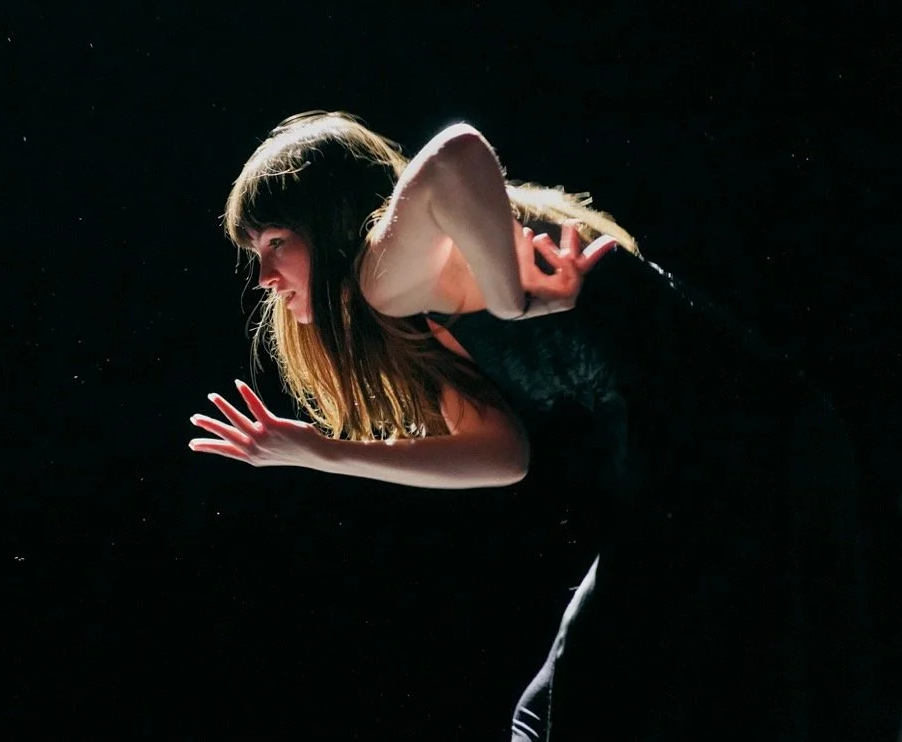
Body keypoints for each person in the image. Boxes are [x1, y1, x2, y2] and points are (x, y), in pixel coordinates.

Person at [188, 111, 878, 741]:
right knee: (579, 708)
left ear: (330, 218)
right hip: (737, 445)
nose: (265, 275)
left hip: (733, 446)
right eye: (255, 249)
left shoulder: (384, 273)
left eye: (277, 241)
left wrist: (511, 299)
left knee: (590, 707)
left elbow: (457, 151)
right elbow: (501, 453)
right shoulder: (414, 299)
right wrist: (317, 450)